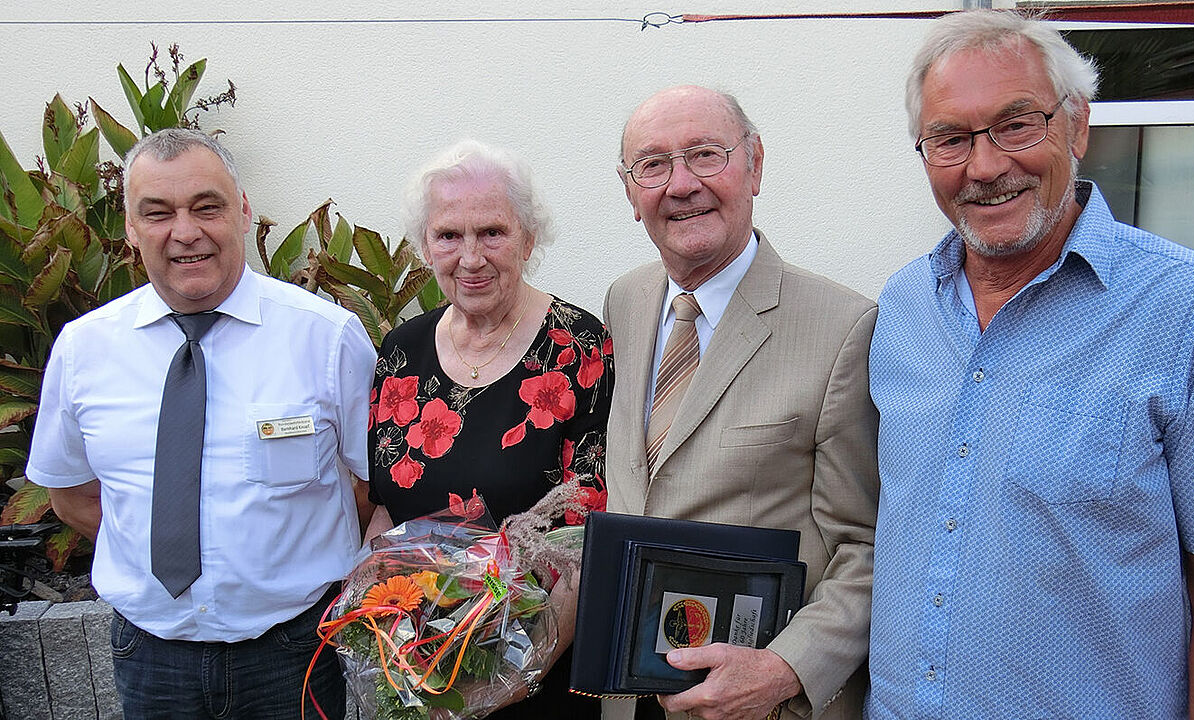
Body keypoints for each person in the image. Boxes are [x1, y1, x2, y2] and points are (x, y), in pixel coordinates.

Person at [866, 10, 1194, 720]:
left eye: (1017, 123)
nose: (986, 166)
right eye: (951, 138)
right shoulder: (902, 307)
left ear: (1078, 126)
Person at [25, 128, 375, 718]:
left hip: (294, 650)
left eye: (206, 207)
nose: (185, 232)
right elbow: (71, 496)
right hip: (150, 655)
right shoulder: (84, 349)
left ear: (242, 212)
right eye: (157, 213)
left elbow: (370, 488)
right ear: (131, 230)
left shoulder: (326, 338)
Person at [603, 85, 879, 720]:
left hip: (762, 705)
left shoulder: (843, 328)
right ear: (629, 190)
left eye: (705, 154)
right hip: (628, 693)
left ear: (755, 165)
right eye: (653, 164)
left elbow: (866, 547)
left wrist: (785, 671)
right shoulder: (626, 301)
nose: (681, 184)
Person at [365, 139, 613, 718]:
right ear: (425, 245)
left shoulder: (578, 346)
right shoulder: (401, 351)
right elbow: (384, 510)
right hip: (417, 668)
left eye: (492, 233)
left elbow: (590, 533)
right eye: (449, 235)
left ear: (529, 239)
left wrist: (505, 680)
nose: (470, 257)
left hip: (536, 673)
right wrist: (384, 633)